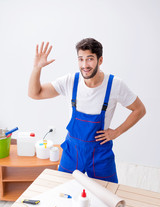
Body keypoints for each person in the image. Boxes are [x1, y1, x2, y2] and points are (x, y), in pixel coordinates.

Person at [28, 38, 146, 183]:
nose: (85, 65)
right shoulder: (70, 81)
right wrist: (37, 68)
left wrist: (117, 132)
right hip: (72, 151)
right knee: (62, 191)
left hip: (100, 154)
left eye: (90, 59)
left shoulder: (115, 85)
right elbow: (35, 93)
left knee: (108, 194)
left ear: (100, 60)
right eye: (81, 59)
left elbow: (139, 110)